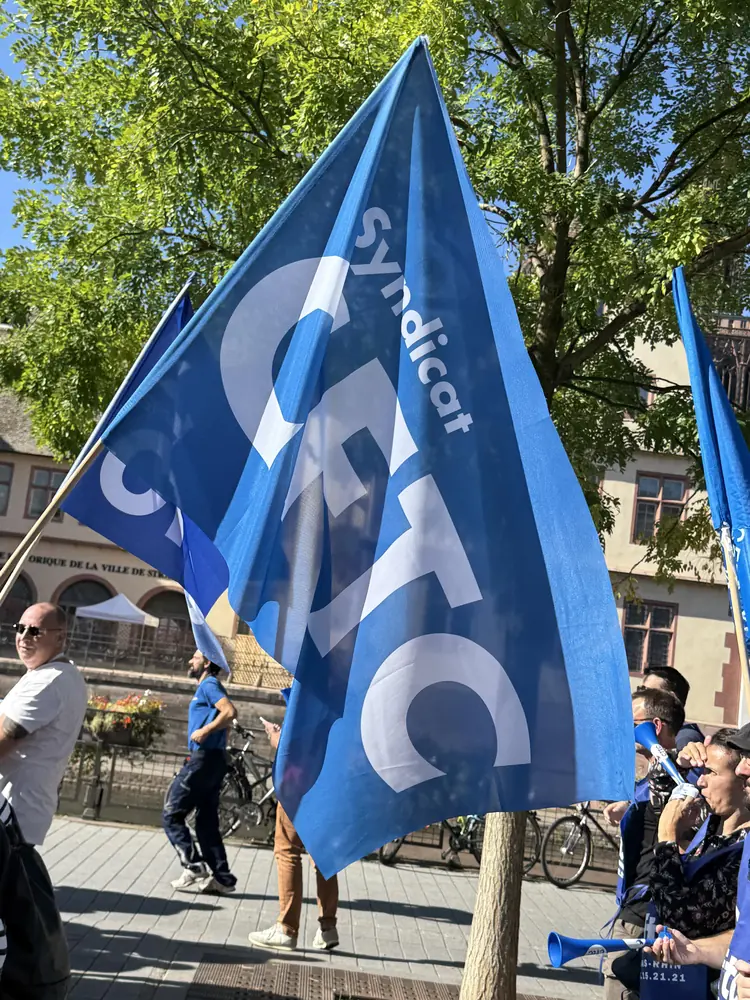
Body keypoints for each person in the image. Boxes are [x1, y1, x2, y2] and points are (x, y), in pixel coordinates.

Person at [645, 725, 750, 998]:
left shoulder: (741, 849)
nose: (700, 781)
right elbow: (656, 800)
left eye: (711, 773)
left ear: (742, 783)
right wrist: (678, 762)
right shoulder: (712, 822)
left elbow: (681, 917)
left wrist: (667, 838)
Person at [602, 688, 691, 1000]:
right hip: (635, 907)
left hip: (645, 915)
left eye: (632, 722)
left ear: (655, 726)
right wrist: (630, 807)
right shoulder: (653, 776)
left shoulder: (679, 775)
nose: (626, 730)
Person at [248, 716, 339, 952]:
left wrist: (275, 736)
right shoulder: (339, 702)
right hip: (329, 784)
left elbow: (295, 747)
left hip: (298, 784)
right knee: (322, 856)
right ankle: (328, 927)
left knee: (287, 850)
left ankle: (286, 928)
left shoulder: (308, 699)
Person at [0, 603, 86, 846]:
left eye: (35, 631)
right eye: (20, 628)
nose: (24, 637)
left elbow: (4, 740)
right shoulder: (50, 674)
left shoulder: (49, 681)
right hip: (19, 815)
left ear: (60, 637)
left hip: (11, 815)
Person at [163, 654, 237, 894]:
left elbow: (230, 712)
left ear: (206, 663)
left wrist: (205, 731)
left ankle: (194, 866)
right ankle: (223, 879)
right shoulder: (210, 686)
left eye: (194, 658)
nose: (189, 661)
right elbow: (226, 721)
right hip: (214, 760)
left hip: (203, 760)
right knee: (206, 822)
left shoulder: (209, 685)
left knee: (172, 814)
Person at [641, 666, 704, 750]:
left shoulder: (684, 740)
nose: (639, 696)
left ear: (670, 700)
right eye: (640, 689)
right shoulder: (662, 734)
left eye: (648, 692)